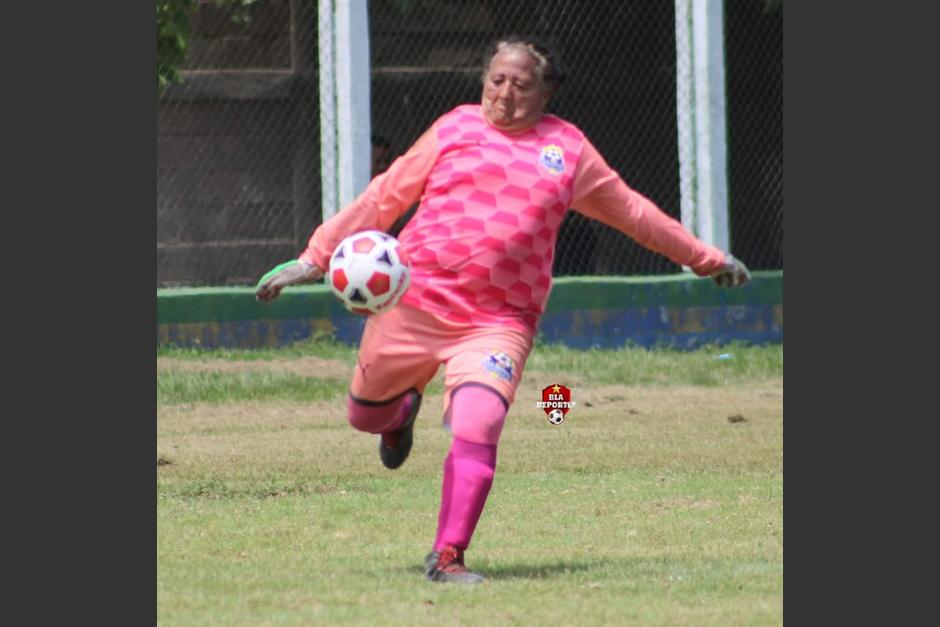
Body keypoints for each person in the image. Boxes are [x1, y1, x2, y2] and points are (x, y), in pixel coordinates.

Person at [255, 36, 751, 584]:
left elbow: (634, 213)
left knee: (481, 419)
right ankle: (398, 417)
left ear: (546, 94)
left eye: (521, 85)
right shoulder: (454, 128)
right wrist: (315, 257)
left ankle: (448, 557)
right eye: (497, 80)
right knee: (362, 417)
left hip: (497, 321)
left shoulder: (568, 151)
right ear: (483, 81)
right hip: (413, 303)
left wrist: (706, 258)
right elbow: (384, 197)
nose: (505, 94)